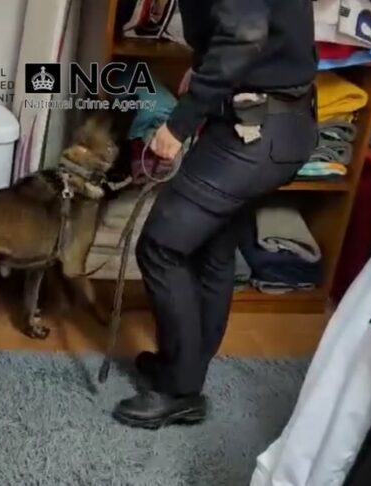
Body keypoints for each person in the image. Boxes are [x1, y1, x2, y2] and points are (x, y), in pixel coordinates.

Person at [113, 0, 319, 429]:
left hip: (258, 133)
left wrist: (179, 124)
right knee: (214, 246)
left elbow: (244, 34)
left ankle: (180, 390)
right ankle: (186, 367)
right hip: (274, 121)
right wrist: (206, 70)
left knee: (160, 246)